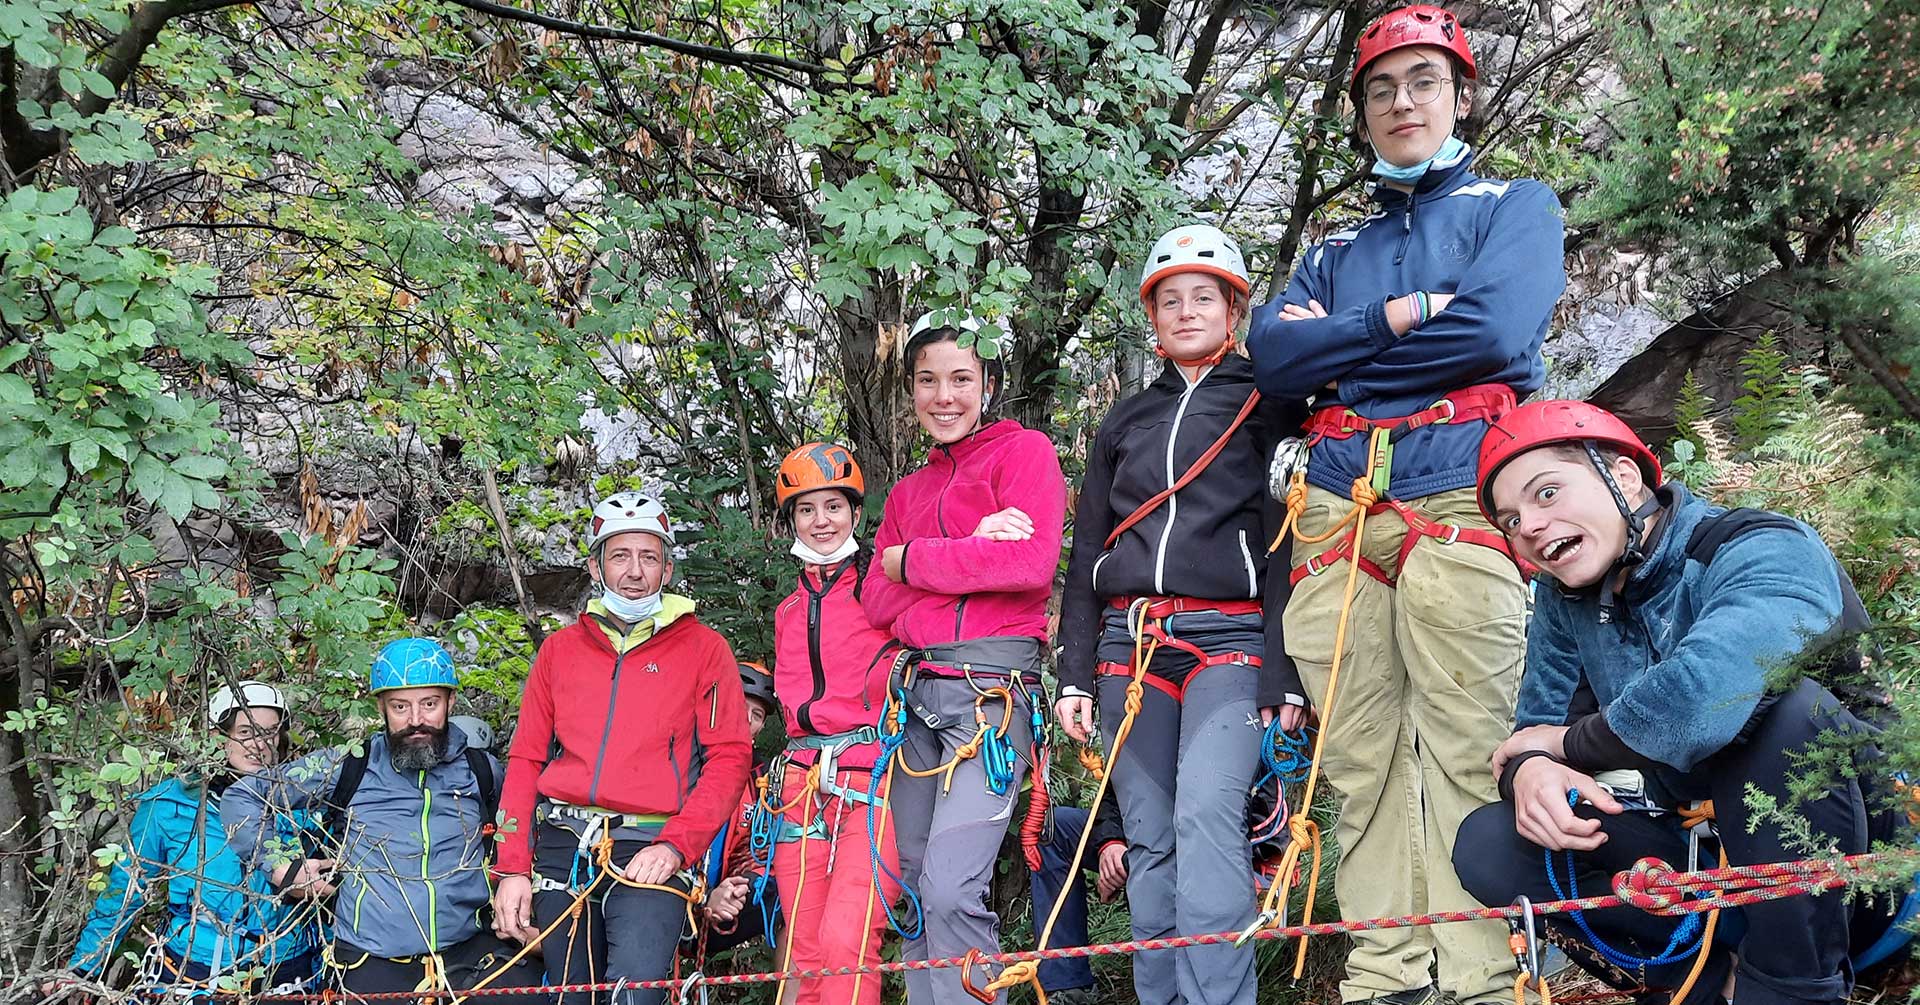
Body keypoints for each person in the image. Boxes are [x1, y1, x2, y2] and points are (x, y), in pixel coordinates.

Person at [1245, 6, 1568, 1004]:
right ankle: (1385, 976)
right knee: (1358, 761)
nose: (1402, 102)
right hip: (1338, 516)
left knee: (1476, 750)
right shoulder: (1337, 249)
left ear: (1461, 94)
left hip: (1459, 494)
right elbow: (1274, 361)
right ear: (1362, 112)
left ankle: (1484, 979)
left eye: (1423, 81)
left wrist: (1346, 349)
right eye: (1382, 88)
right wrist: (1403, 319)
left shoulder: (1513, 206)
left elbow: (1498, 328)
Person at [1456, 399, 1898, 1005]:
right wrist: (1532, 772)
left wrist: (1563, 745)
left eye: (1547, 493)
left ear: (1625, 477)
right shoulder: (1566, 603)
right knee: (1492, 842)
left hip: (1858, 861)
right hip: (1701, 854)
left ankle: (1794, 987)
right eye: (1510, 519)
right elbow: (1534, 733)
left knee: (1788, 716)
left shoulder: (1759, 544)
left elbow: (1708, 695)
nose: (1528, 526)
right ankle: (1700, 981)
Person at [1055, 222, 1309, 1005]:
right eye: (1171, 300)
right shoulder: (1126, 419)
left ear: (1234, 308)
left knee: (1207, 825)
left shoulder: (1268, 405)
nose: (1187, 310)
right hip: (1127, 648)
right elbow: (1087, 550)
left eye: (1205, 296)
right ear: (1153, 317)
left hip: (1228, 641)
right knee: (1150, 842)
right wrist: (1071, 674)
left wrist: (1284, 670)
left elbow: (1285, 548)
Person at [861, 310, 1067, 1004]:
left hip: (991, 694)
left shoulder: (1025, 453)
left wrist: (912, 559)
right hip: (919, 700)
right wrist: (972, 548)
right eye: (927, 380)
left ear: (990, 383)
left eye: (960, 379)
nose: (942, 396)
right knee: (915, 887)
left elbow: (1031, 563)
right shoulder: (908, 492)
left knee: (951, 886)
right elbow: (874, 601)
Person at [489, 493, 753, 1005]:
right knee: (571, 995)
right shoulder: (560, 652)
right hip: (564, 845)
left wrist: (678, 845)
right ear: (595, 565)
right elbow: (525, 762)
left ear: (668, 569)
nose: (634, 571)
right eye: (619, 555)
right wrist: (512, 868)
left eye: (649, 557)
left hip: (652, 844)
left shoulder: (704, 649)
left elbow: (730, 758)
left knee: (635, 991)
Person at [225, 640, 542, 1001]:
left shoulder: (482, 771)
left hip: (472, 951)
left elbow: (526, 829)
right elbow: (243, 797)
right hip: (370, 956)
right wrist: (282, 865)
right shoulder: (350, 765)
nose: (416, 720)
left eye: (429, 704)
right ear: (381, 708)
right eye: (400, 707)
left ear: (450, 702)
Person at [758, 442, 904, 1005]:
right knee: (802, 950)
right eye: (806, 509)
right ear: (791, 520)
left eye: (833, 507)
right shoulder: (788, 610)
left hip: (875, 777)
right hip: (802, 782)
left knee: (847, 942)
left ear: (855, 512)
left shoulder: (882, 589)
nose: (821, 521)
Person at [57, 682, 316, 995]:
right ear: (219, 738)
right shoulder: (169, 805)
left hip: (287, 965)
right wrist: (85, 966)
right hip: (193, 968)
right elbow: (126, 889)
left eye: (270, 732)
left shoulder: (303, 802)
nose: (259, 745)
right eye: (246, 733)